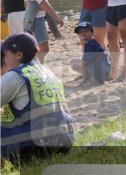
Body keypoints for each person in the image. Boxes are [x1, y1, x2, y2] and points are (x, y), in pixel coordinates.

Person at [1, 33, 75, 164]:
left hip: (34, 146)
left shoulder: (15, 76)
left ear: (18, 55)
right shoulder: (49, 73)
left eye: (5, 55)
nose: (4, 60)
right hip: (64, 142)